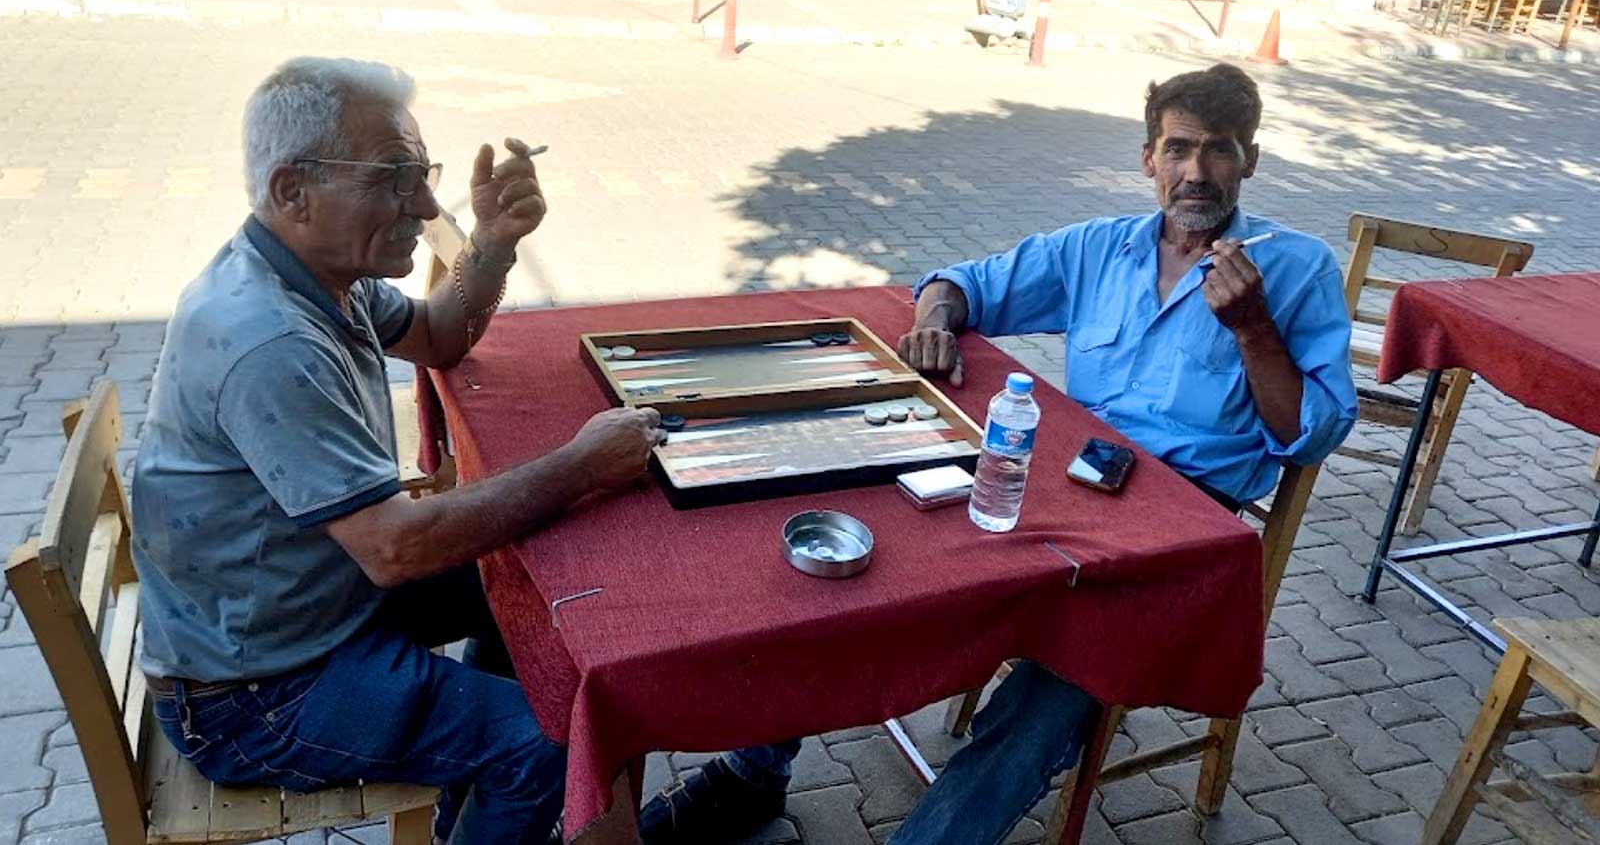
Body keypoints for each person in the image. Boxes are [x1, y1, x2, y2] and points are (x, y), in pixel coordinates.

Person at [639, 62, 1357, 844]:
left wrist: (1254, 330)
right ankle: (753, 773)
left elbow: (1315, 433)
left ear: (1250, 161)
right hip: (1057, 488)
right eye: (1179, 148)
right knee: (863, 568)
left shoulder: (1295, 269)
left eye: (1219, 150)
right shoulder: (1100, 248)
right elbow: (960, 283)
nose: (1196, 171)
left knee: (1045, 700)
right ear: (1148, 158)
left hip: (1174, 542)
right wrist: (934, 321)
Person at [133, 57, 664, 845]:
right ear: (292, 190)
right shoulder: (269, 338)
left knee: (531, 585)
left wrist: (493, 241)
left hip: (309, 607)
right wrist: (581, 465)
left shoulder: (316, 274)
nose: (423, 205)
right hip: (252, 693)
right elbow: (396, 549)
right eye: (393, 179)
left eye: (422, 175)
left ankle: (469, 806)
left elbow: (440, 333)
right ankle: (493, 787)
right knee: (552, 744)